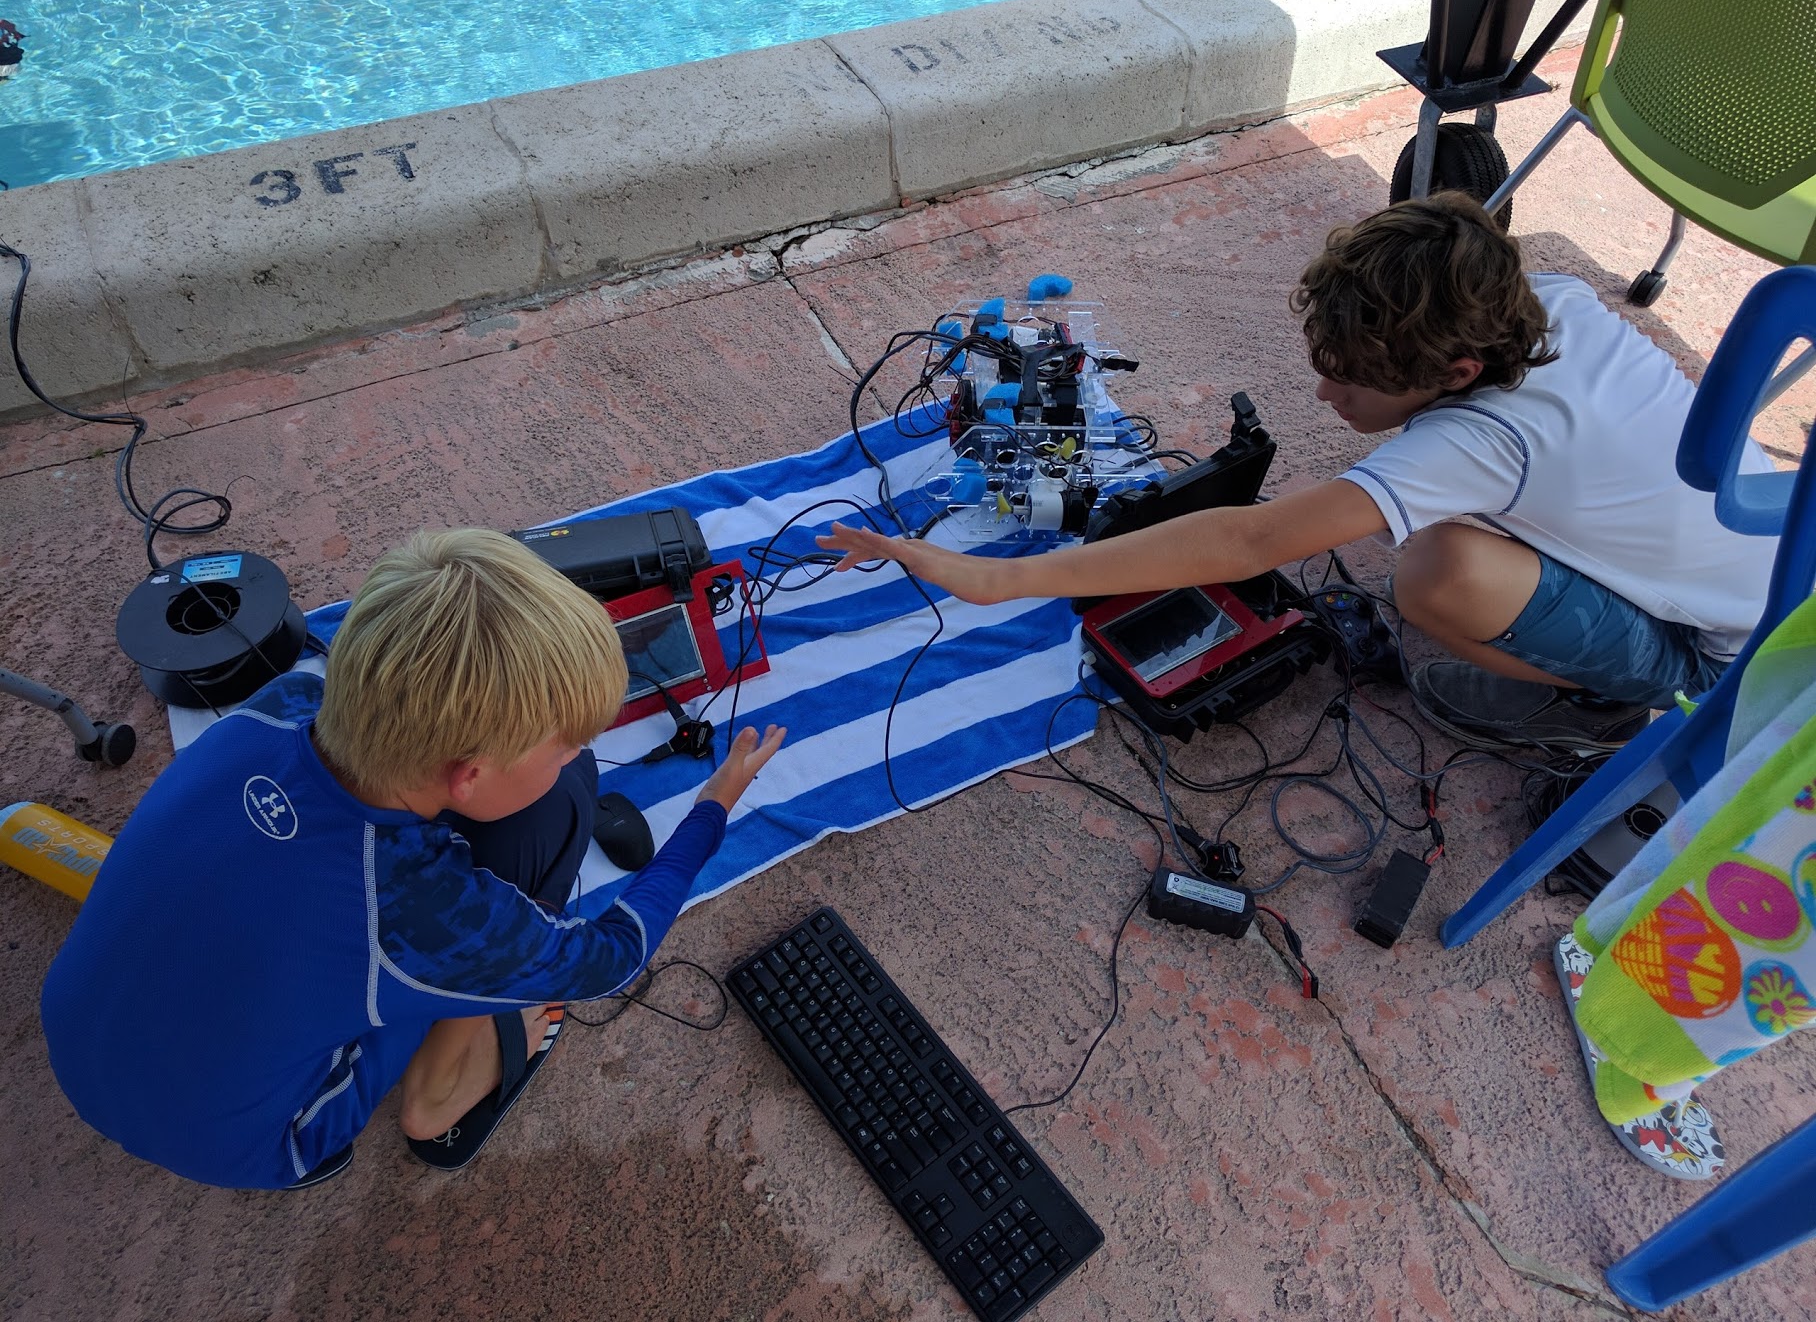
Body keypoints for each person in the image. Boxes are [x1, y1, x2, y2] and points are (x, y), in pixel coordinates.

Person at [819, 193, 1778, 750]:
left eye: (1354, 383)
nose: (1327, 399)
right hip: (1788, 554)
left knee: (1434, 573)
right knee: (1447, 526)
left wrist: (999, 579)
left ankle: (1611, 701)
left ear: (1457, 373)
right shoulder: (1548, 301)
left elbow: (1249, 538)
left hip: (1738, 659)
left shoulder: (1481, 444)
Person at [40, 528, 784, 1189]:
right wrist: (710, 810)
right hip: (252, 1143)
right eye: (566, 747)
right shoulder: (415, 911)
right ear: (470, 776)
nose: (576, 757)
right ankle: (441, 1096)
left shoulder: (275, 706)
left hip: (76, 1041)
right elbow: (614, 958)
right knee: (480, 959)